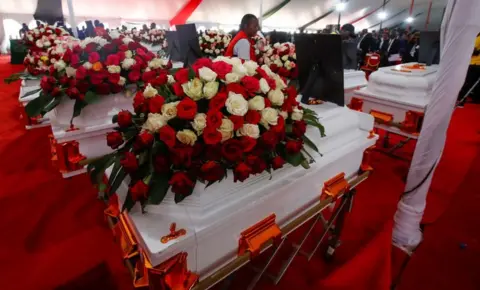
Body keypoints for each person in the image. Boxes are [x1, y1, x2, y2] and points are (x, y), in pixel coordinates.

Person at [458, 33, 480, 106]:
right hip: (475, 63)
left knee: (467, 82)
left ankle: (461, 100)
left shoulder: (478, 39)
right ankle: (476, 98)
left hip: (474, 63)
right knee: (473, 83)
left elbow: (472, 50)